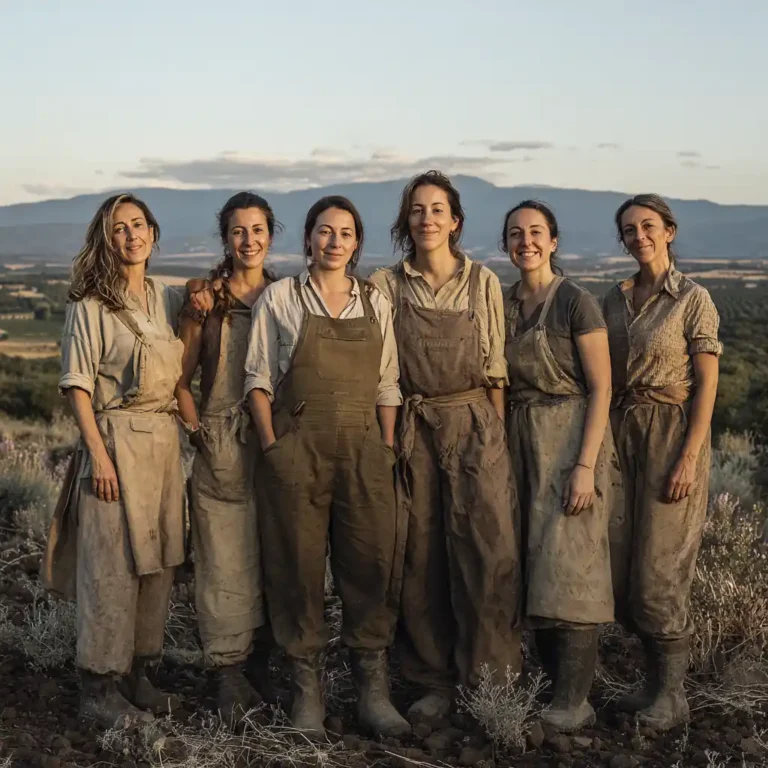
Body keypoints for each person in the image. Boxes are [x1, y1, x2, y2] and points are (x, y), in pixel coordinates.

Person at [244, 196, 410, 739]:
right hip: (298, 455)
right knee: (298, 570)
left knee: (370, 566)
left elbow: (388, 382)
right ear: (309, 239)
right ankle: (306, 693)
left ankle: (372, 692)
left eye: (344, 233)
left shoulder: (375, 303)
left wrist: (385, 446)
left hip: (365, 454)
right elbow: (258, 380)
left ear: (356, 243)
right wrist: (272, 447)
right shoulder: (281, 297)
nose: (333, 241)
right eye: (323, 231)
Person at [370, 171, 521, 719]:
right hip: (416, 429)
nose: (427, 219)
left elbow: (496, 371)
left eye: (437, 210)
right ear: (406, 222)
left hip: (477, 424)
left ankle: (493, 681)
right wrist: (392, 446)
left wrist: (495, 444)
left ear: (455, 221)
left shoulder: (482, 281)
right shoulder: (387, 285)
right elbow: (385, 371)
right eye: (417, 210)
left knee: (487, 553)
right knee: (421, 556)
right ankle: (431, 680)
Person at [41, 193, 185, 727]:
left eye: (140, 224)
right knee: (111, 565)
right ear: (107, 239)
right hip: (115, 443)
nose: (132, 235)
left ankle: (136, 674)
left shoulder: (164, 298)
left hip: (164, 446)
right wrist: (98, 458)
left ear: (153, 230)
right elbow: (77, 387)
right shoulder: (90, 306)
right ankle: (98, 687)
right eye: (120, 227)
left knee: (160, 562)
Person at [501, 200, 622, 732]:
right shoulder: (503, 304)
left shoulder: (576, 302)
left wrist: (585, 466)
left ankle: (574, 702)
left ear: (553, 241)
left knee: (572, 566)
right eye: (515, 233)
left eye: (535, 232)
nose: (525, 241)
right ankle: (555, 691)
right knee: (536, 566)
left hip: (572, 438)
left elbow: (602, 388)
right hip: (521, 442)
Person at [603, 194, 721, 730]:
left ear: (669, 231)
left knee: (660, 569)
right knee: (624, 567)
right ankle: (652, 686)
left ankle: (673, 697)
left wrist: (688, 458)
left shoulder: (693, 298)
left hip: (672, 434)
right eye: (629, 229)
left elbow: (707, 384)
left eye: (648, 226)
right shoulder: (614, 298)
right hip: (623, 432)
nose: (638, 236)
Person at [175, 192, 280, 717]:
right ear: (225, 239)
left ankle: (261, 667)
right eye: (238, 232)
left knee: (271, 553)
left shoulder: (287, 296)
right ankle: (227, 673)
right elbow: (181, 379)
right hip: (221, 443)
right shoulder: (205, 302)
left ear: (271, 235)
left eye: (257, 230)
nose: (249, 241)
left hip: (276, 443)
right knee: (221, 560)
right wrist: (197, 431)